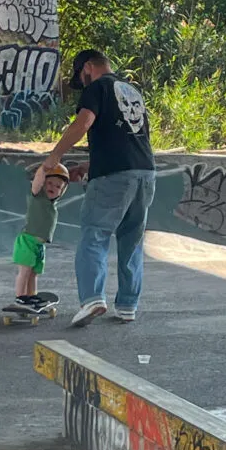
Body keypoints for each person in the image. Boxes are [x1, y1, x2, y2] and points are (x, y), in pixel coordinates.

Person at [42, 49, 156, 327]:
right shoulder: (131, 91)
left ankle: (92, 298)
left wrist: (54, 157)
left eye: (82, 78)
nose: (83, 84)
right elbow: (128, 141)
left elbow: (83, 123)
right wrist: (90, 166)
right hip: (145, 173)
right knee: (131, 239)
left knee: (94, 234)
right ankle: (128, 305)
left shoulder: (97, 88)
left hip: (113, 177)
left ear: (89, 67)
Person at [9, 163, 70, 312]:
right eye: (49, 183)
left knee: (34, 273)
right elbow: (37, 182)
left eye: (58, 186)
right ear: (43, 183)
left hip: (39, 245)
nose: (52, 187)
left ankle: (31, 296)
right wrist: (44, 169)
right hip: (27, 241)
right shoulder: (37, 195)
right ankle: (20, 297)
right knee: (25, 271)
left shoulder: (52, 205)